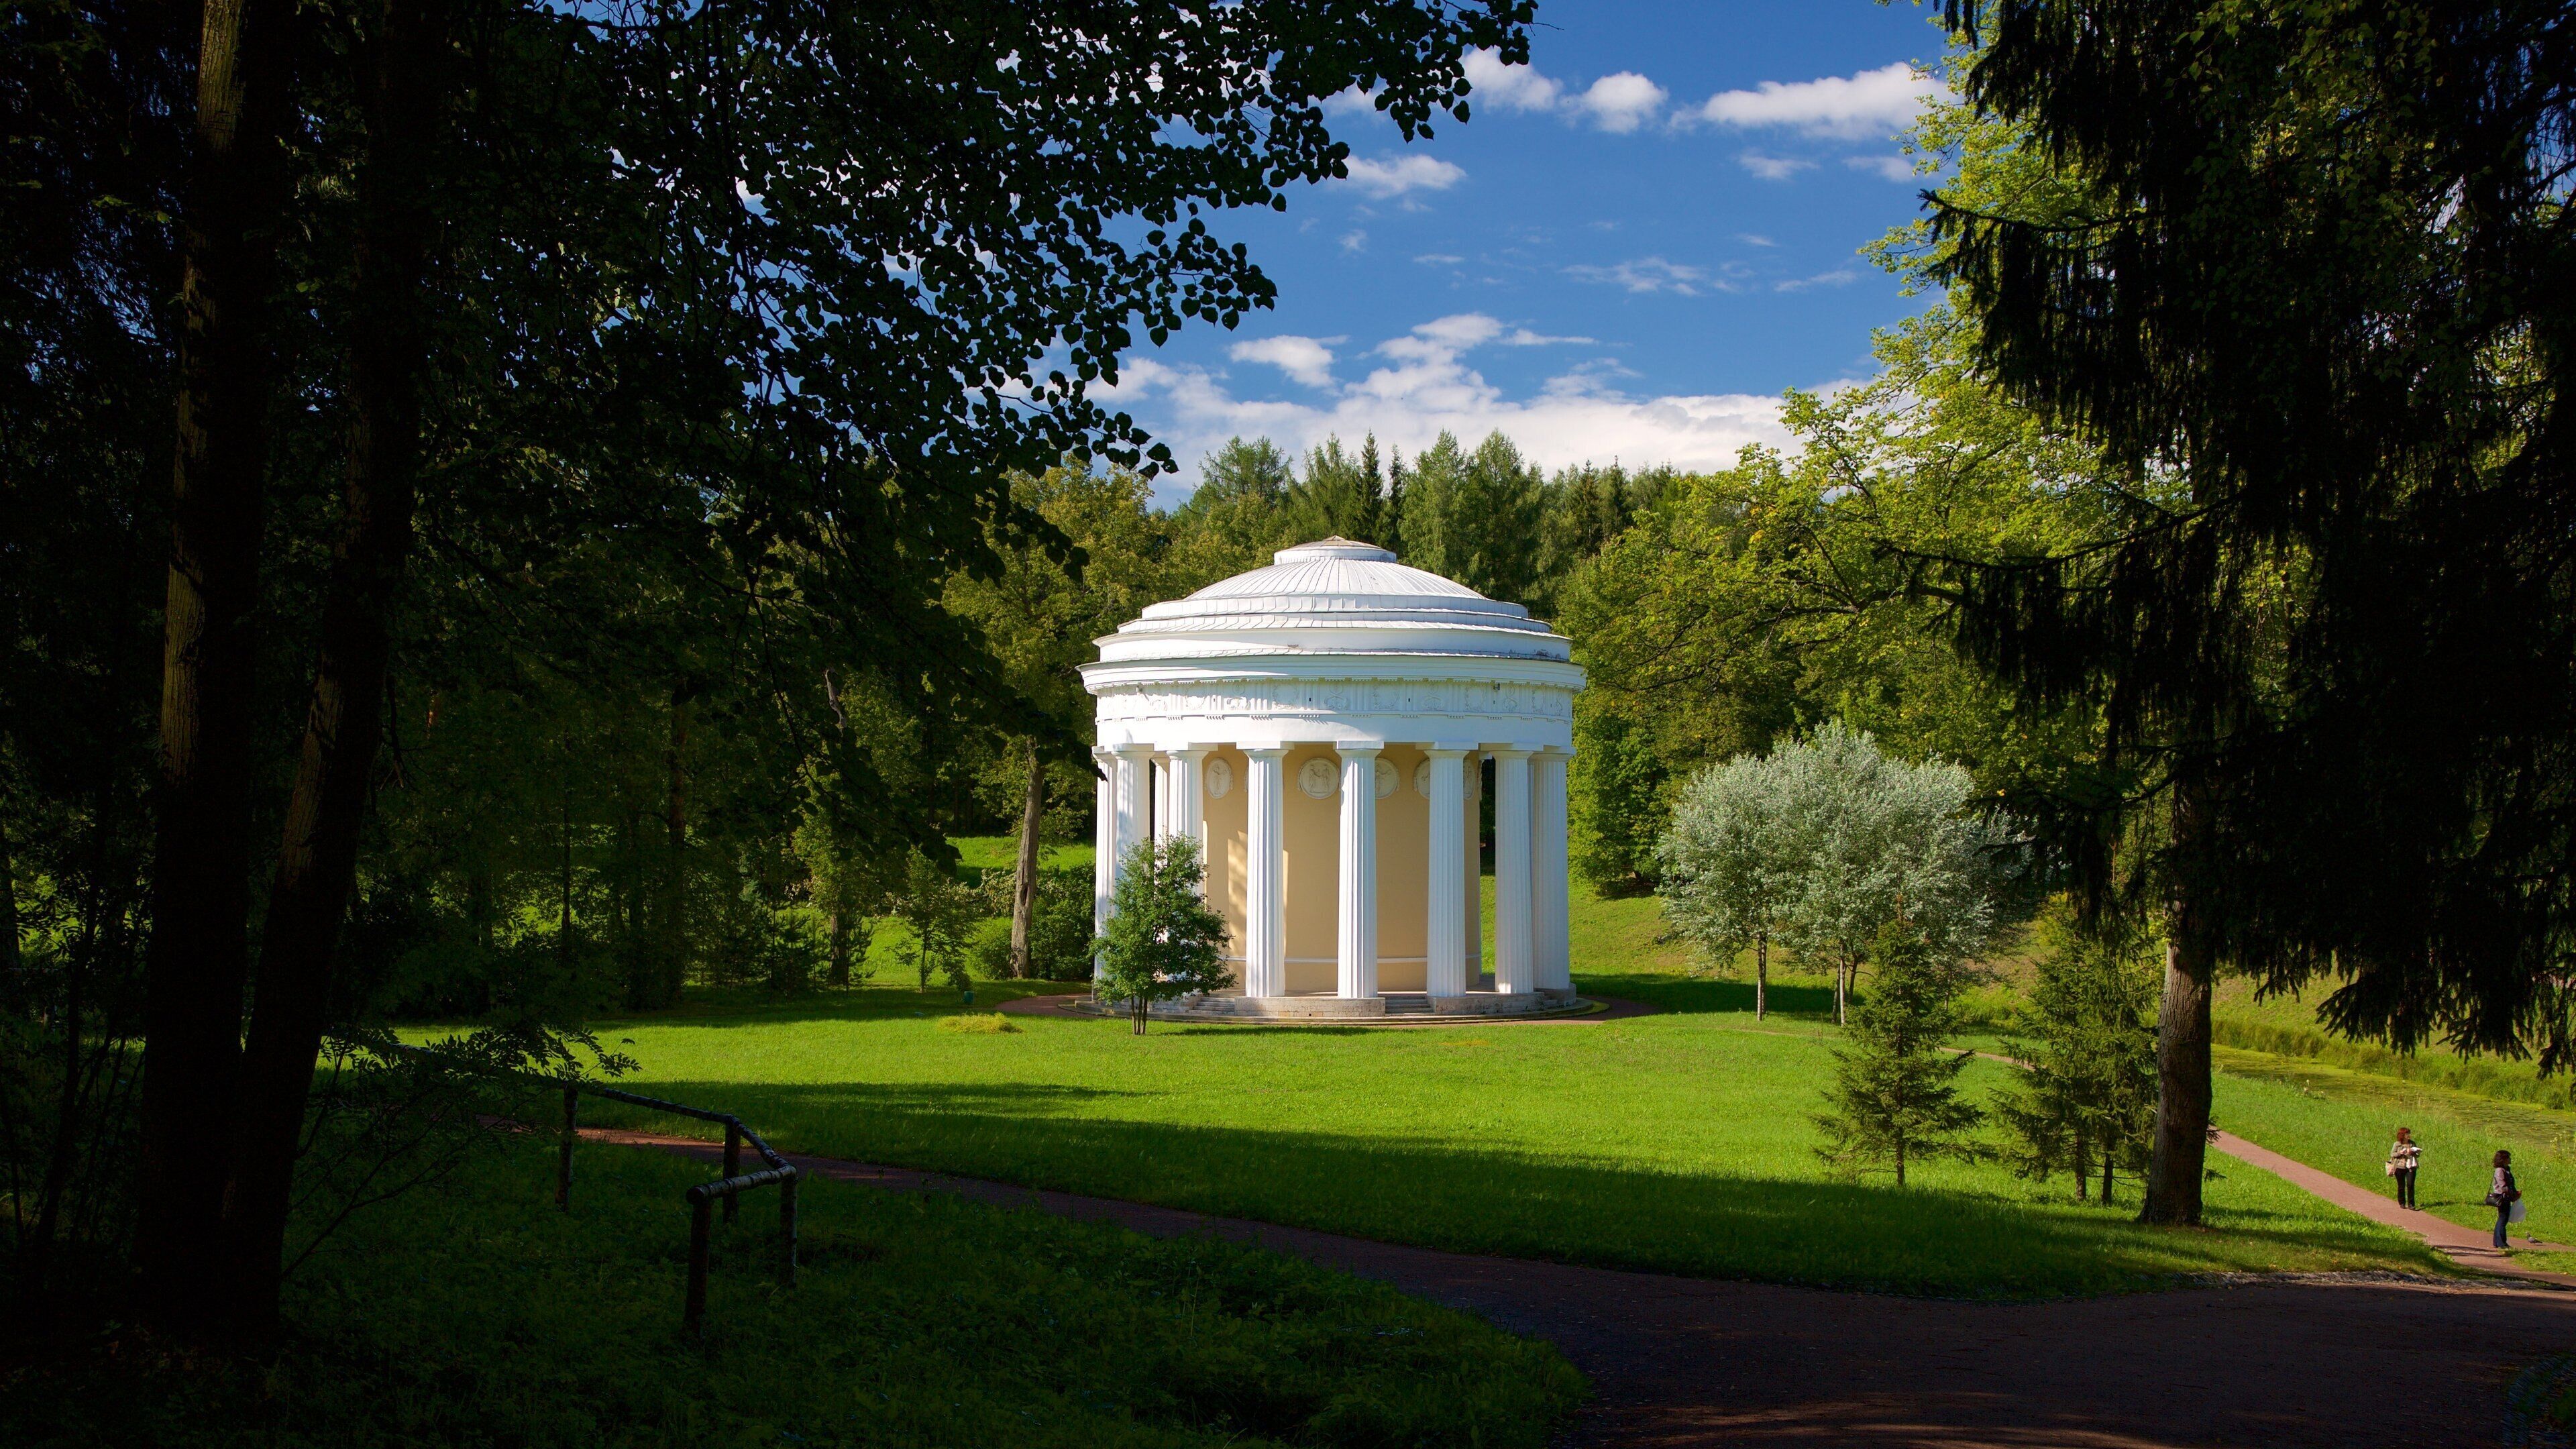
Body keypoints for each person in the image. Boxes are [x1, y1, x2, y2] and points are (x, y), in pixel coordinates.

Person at [2489, 1149, 2520, 1249]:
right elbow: (2503, 1186)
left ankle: (2498, 1242)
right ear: (2503, 1159)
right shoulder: (2500, 1171)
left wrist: (2515, 1192)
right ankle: (2501, 1243)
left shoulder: (2506, 1169)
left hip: (2506, 1197)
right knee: (2503, 1219)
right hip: (2502, 1198)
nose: (2510, 1159)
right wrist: (2512, 1195)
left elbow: (2510, 1184)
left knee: (2503, 1219)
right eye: (2508, 1158)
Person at [2387, 1128, 2421, 1209]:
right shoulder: (2397, 1144)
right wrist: (2400, 1153)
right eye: (2407, 1134)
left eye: (2409, 1133)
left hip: (2411, 1167)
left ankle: (2411, 1204)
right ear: (2402, 1135)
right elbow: (2392, 1154)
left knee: (2410, 1185)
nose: (2409, 1135)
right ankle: (2402, 1202)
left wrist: (2413, 1152)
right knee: (2401, 1186)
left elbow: (2417, 1155)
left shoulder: (2412, 1143)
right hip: (2400, 1167)